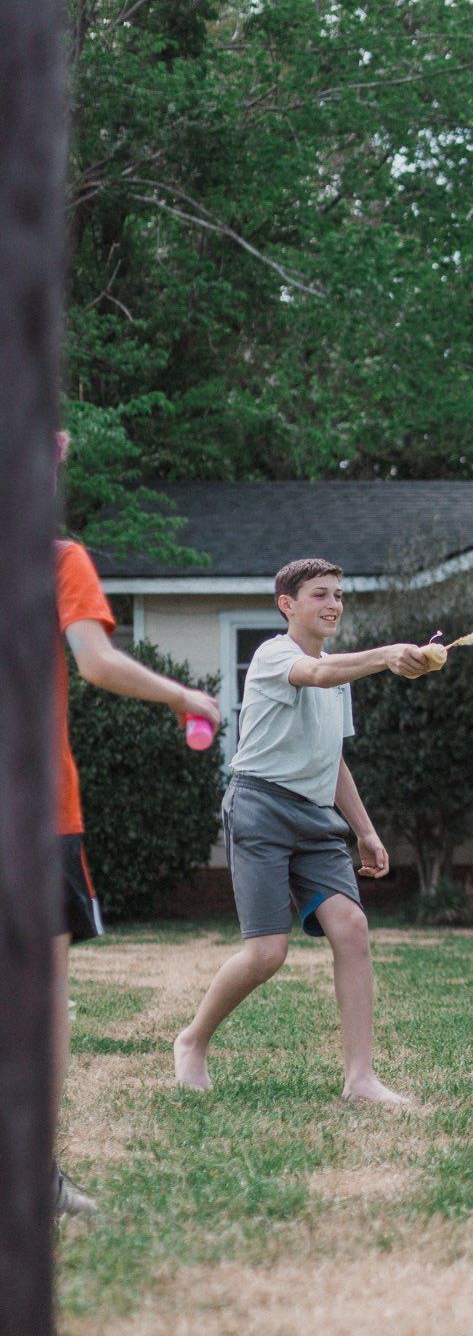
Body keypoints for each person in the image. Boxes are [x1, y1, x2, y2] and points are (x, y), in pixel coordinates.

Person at [173, 558, 428, 1108]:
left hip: (316, 819)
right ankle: (192, 1040)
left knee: (352, 927)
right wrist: (385, 655)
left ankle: (360, 1080)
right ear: (288, 605)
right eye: (320, 594)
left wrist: (366, 830)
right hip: (260, 806)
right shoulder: (274, 655)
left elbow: (330, 758)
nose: (333, 604)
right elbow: (315, 674)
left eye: (339, 594)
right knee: (267, 954)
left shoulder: (339, 674)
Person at [52, 437, 221, 1214]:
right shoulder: (56, 557)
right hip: (36, 811)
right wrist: (185, 697)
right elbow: (96, 662)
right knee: (43, 994)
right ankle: (33, 1174)